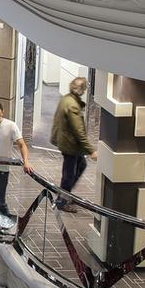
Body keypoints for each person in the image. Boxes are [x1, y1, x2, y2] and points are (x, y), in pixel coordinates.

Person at [51, 76, 96, 211]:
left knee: (80, 166)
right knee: (69, 175)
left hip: (66, 142)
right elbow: (79, 131)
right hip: (70, 145)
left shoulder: (66, 99)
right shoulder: (72, 105)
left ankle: (65, 195)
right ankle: (62, 201)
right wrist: (91, 150)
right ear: (82, 90)